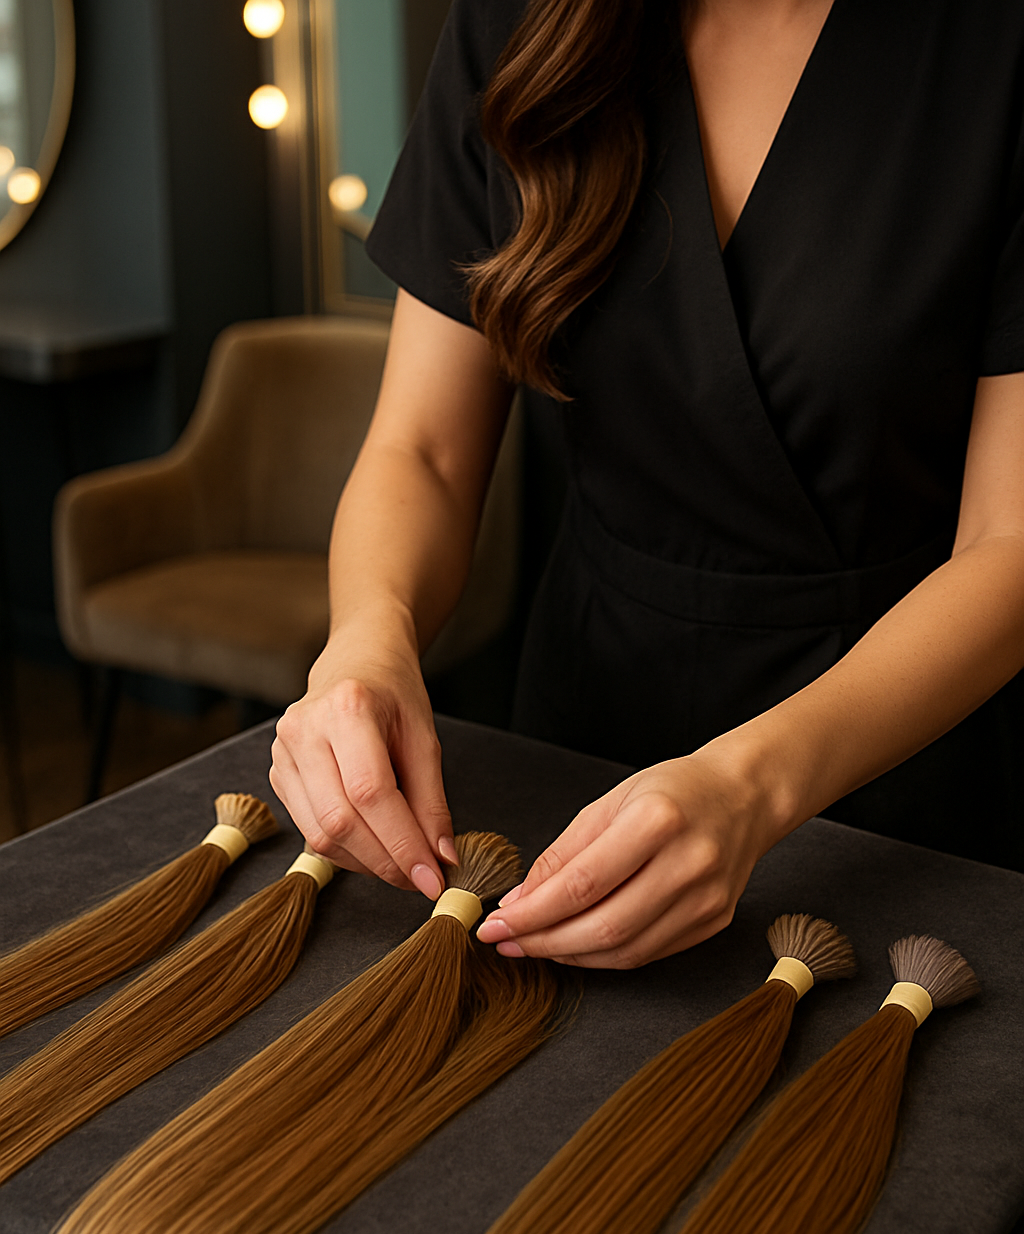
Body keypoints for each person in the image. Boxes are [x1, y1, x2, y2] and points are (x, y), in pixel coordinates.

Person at [270, 0, 1024, 968]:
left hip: (897, 776)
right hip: (577, 739)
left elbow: (1007, 544)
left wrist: (752, 786)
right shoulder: (515, 21)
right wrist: (370, 638)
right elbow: (421, 449)